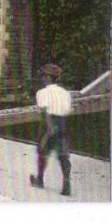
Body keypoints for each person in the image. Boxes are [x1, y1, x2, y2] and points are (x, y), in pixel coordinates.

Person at [30, 63, 73, 196]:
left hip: (48, 124)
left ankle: (40, 179)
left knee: (42, 152)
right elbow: (67, 110)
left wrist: (49, 129)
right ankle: (66, 184)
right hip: (62, 123)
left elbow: (44, 112)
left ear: (48, 77)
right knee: (63, 154)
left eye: (44, 75)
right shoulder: (65, 93)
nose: (43, 78)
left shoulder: (41, 93)